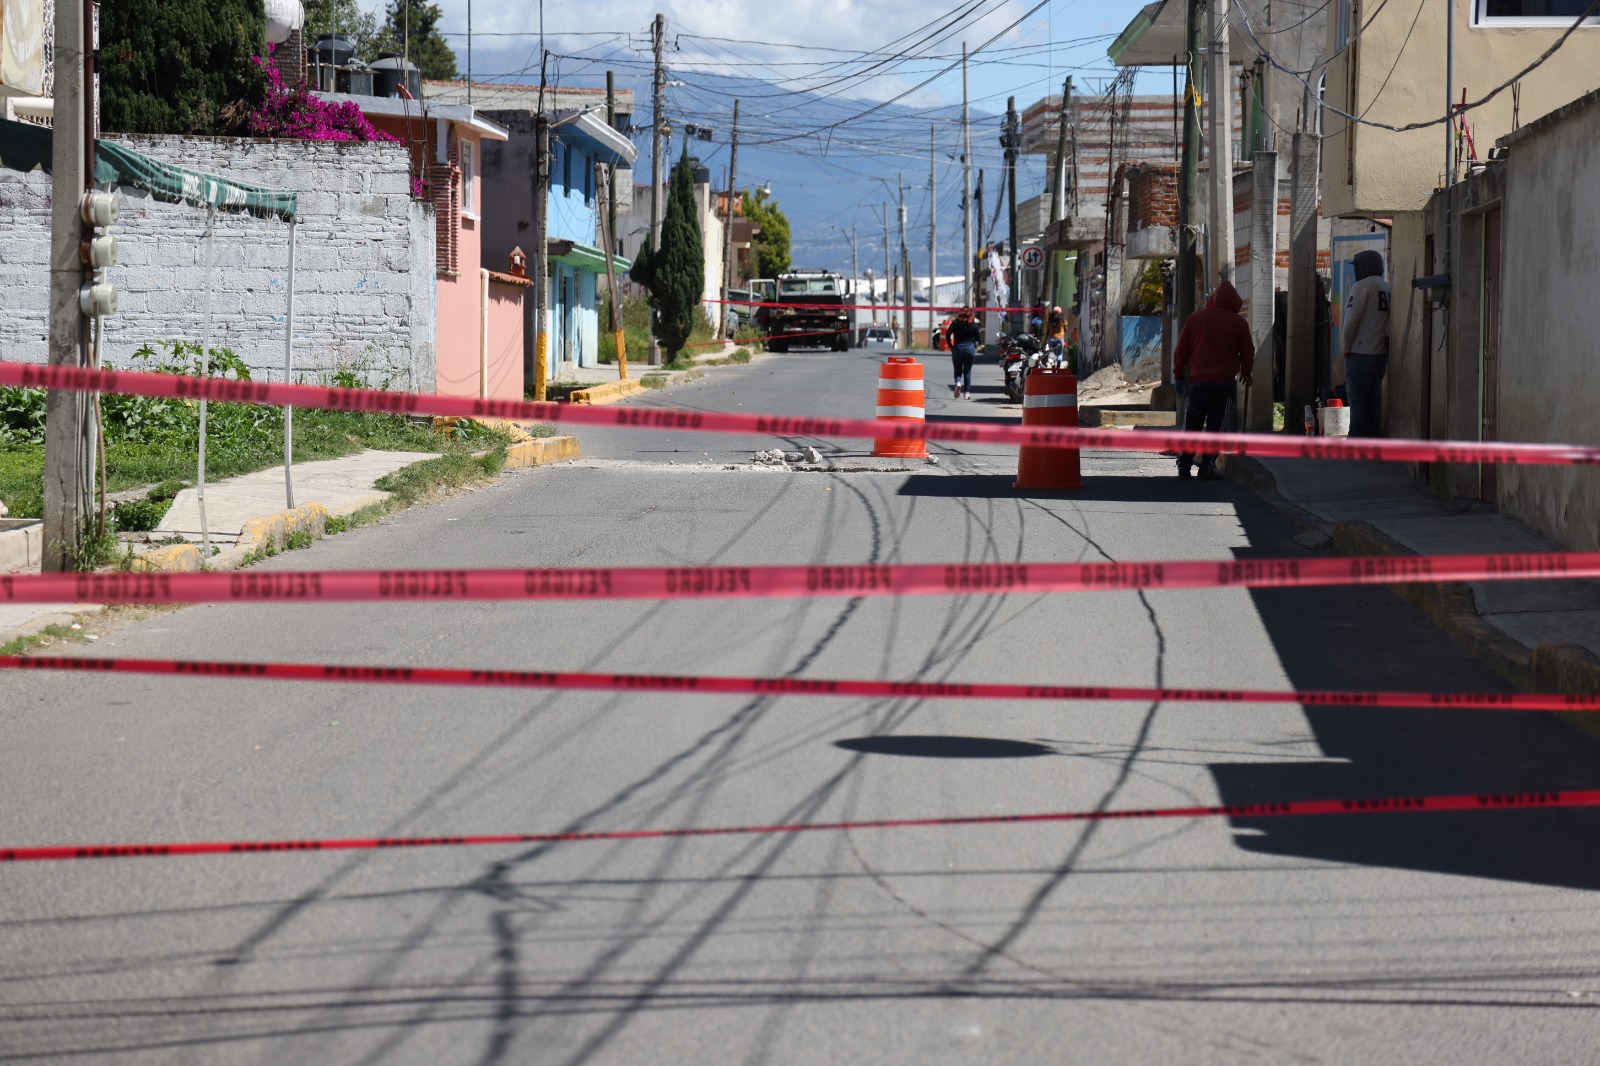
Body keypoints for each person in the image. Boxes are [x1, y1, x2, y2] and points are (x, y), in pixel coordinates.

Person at [1172, 281, 1254, 480]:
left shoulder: (1195, 319)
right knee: (1216, 428)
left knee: (1192, 425)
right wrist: (1246, 372)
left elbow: (1181, 350)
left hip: (1198, 385)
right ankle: (1206, 468)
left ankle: (1184, 466)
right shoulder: (1239, 323)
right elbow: (1247, 352)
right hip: (1224, 386)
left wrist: (1178, 375)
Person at [1341, 249, 1390, 437]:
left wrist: (1346, 348)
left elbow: (1351, 321)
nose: (1355, 272)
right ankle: (1369, 442)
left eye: (1357, 267)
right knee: (1372, 401)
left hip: (1360, 354)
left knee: (1358, 401)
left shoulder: (1362, 286)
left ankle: (1356, 443)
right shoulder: (1386, 287)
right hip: (1380, 354)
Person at [944, 307, 982, 399]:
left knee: (957, 370)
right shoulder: (972, 324)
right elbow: (978, 338)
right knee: (967, 371)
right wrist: (977, 344)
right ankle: (967, 393)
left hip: (957, 348)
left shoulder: (955, 323)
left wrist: (950, 345)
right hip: (969, 348)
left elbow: (948, 334)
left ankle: (958, 383)